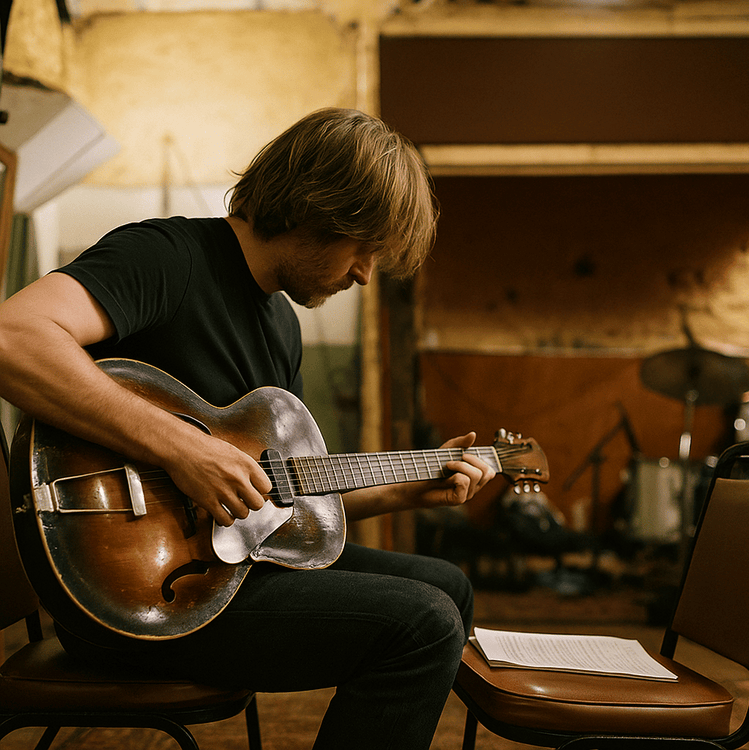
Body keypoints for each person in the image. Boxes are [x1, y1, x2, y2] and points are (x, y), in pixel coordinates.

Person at [0, 107, 497, 749]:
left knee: (445, 585)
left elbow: (275, 502)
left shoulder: (280, 324)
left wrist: (407, 489)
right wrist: (182, 447)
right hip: (131, 596)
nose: (365, 273)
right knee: (422, 623)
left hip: (226, 570)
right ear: (316, 211)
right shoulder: (166, 256)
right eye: (363, 247)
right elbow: (14, 338)